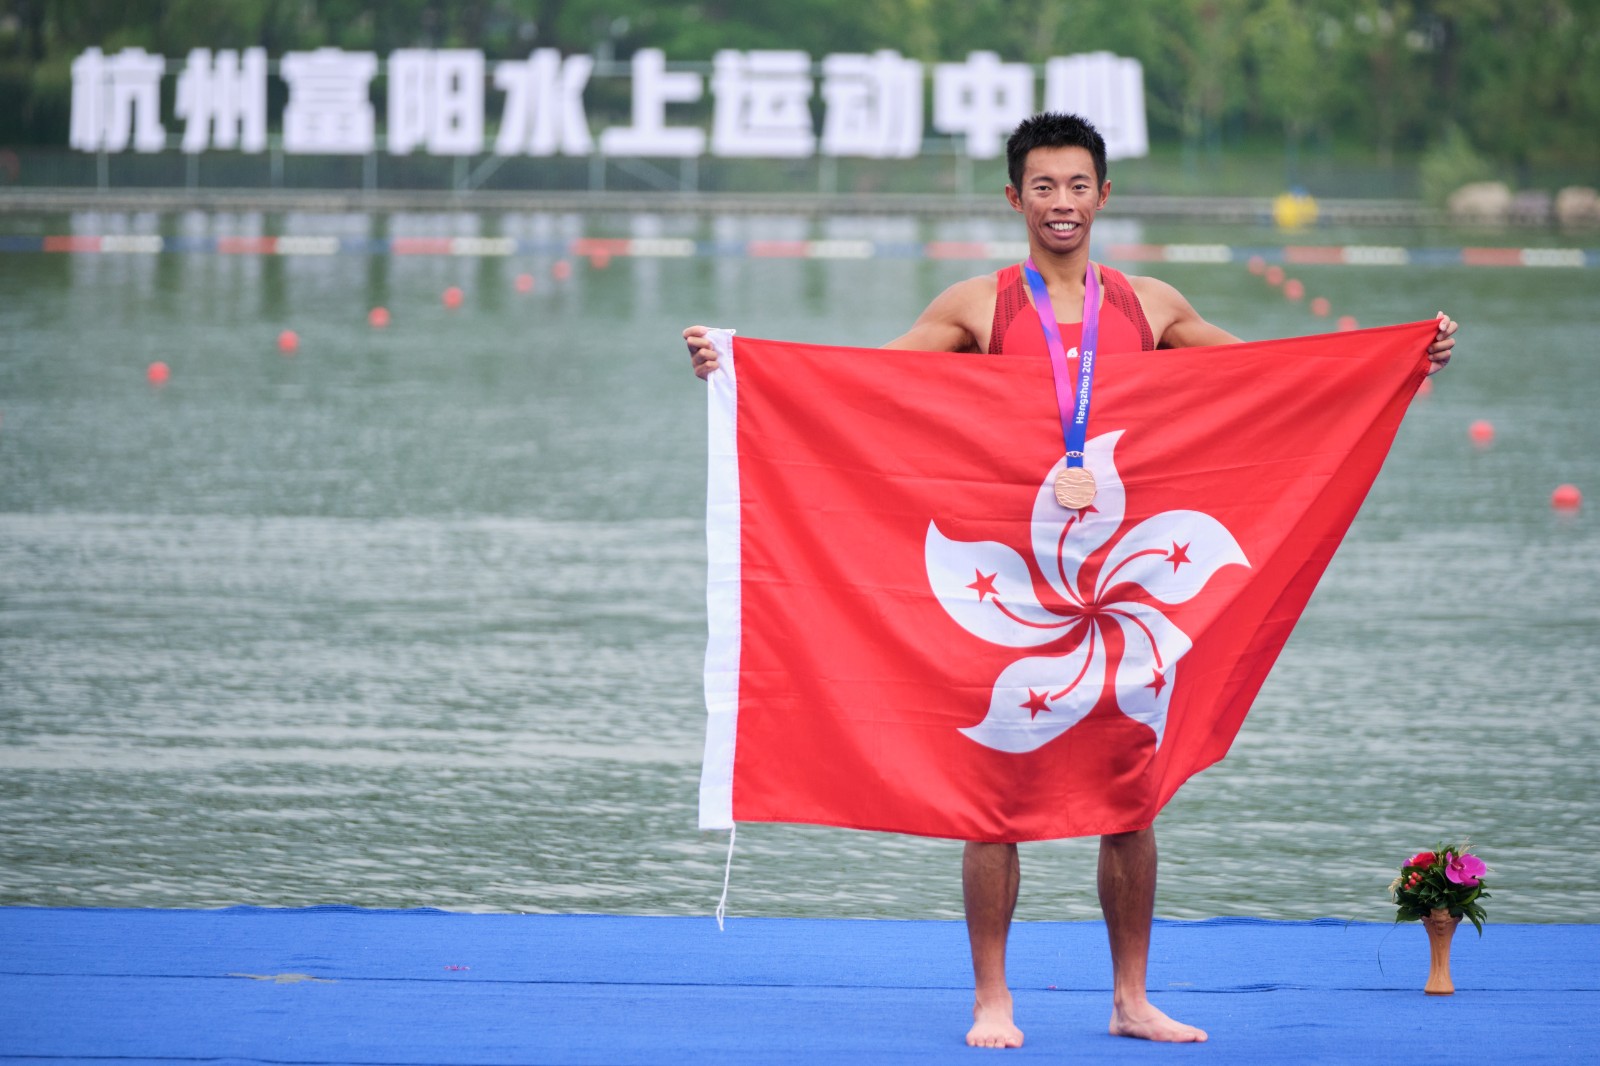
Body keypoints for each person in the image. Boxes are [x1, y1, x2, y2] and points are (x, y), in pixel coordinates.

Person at [684, 112, 1458, 1049]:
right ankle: (992, 999)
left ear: (1104, 195)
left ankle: (1131, 1000)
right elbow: (857, 386)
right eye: (1044, 187)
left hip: (1128, 595)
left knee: (1130, 800)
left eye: (1078, 186)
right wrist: (743, 371)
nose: (1062, 203)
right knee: (991, 800)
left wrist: (1394, 364)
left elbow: (1275, 381)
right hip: (1008, 592)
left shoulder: (1151, 307)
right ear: (1015, 199)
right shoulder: (978, 306)